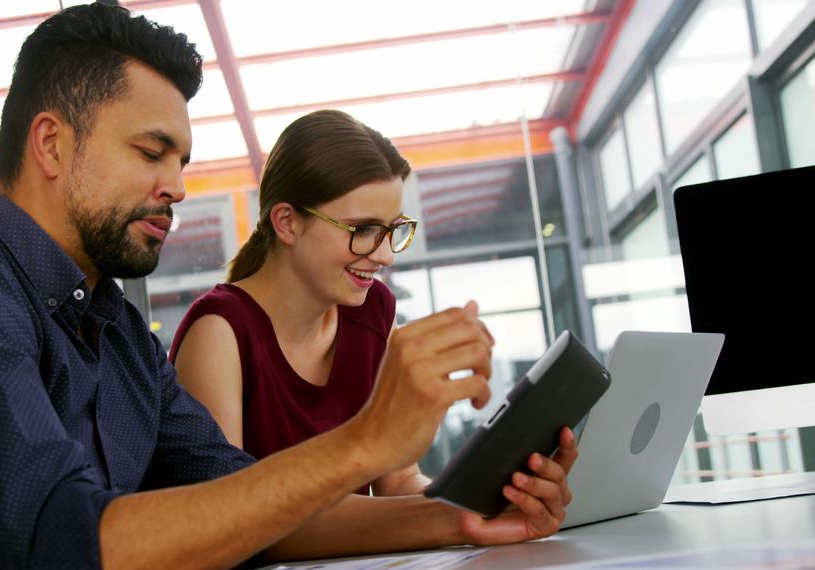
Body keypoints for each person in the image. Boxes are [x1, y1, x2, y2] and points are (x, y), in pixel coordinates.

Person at [0, 4, 575, 569]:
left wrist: (460, 519)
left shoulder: (116, 336)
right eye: (153, 151)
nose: (178, 185)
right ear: (51, 143)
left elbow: (259, 508)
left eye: (182, 160)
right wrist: (368, 440)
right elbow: (70, 544)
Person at [170, 109, 578, 550]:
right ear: (286, 222)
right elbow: (233, 522)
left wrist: (488, 501)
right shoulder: (219, 331)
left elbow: (399, 479)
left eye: (393, 231)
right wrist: (452, 518)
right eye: (363, 230)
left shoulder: (372, 309)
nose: (385, 256)